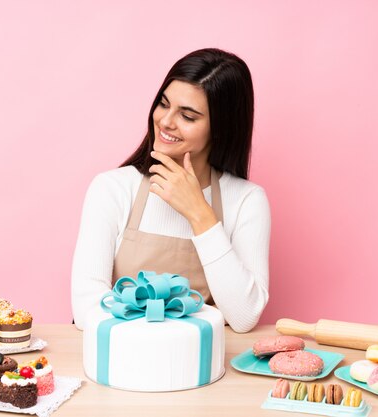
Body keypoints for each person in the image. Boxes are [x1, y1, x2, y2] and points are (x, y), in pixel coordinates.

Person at [71, 48, 270, 333]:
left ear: (221, 128)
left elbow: (244, 317)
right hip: (120, 364)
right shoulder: (112, 188)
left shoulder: (247, 200)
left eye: (187, 116)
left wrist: (199, 213)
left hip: (203, 370)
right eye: (164, 104)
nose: (165, 121)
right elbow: (87, 308)